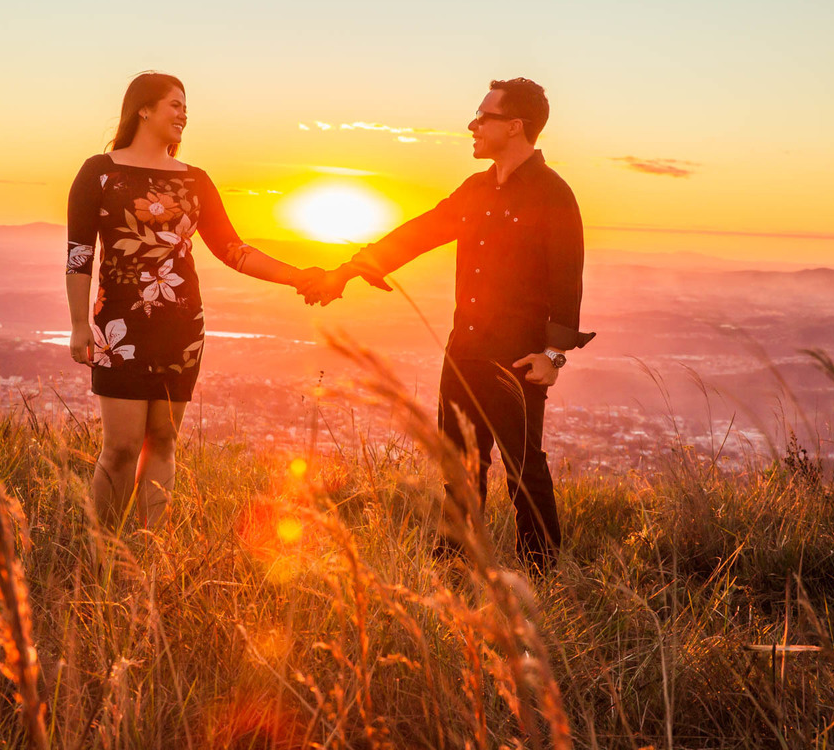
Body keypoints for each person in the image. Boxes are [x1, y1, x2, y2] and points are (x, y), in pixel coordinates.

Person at [302, 78, 595, 569]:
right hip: (463, 351)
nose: (472, 125)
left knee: (524, 470)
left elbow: (568, 281)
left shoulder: (554, 194)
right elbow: (421, 231)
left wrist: (553, 356)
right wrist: (350, 270)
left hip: (518, 358)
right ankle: (453, 566)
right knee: (458, 469)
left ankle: (541, 572)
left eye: (483, 117)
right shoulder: (476, 189)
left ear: (515, 126)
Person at [65, 71, 321, 532]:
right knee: (121, 446)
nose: (184, 114)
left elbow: (234, 251)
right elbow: (79, 255)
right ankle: (100, 551)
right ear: (144, 108)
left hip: (181, 326)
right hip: (118, 327)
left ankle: (148, 551)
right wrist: (78, 324)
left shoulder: (195, 181)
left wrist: (297, 277)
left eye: (186, 106)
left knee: (162, 441)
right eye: (175, 104)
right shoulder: (99, 173)